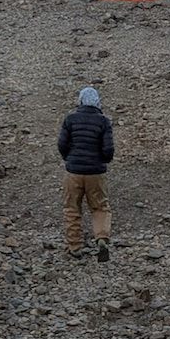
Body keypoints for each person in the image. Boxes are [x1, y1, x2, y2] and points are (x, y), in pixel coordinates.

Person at [57, 86, 114, 262]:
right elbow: (109, 150)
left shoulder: (70, 119)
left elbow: (62, 144)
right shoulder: (103, 121)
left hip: (74, 171)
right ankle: (101, 238)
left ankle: (75, 247)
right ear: (97, 102)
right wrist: (102, 161)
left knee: (72, 208)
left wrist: (69, 159)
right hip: (96, 172)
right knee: (99, 207)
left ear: (80, 101)